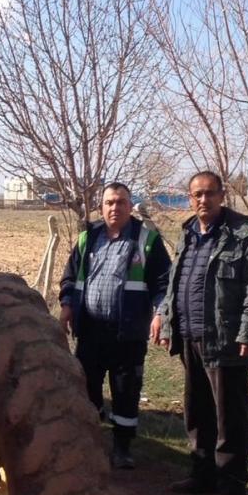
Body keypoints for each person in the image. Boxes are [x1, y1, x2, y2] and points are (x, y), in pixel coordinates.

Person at [157, 171, 248, 495]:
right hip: (190, 334)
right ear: (189, 198)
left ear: (222, 195)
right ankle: (201, 473)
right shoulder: (188, 233)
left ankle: (231, 485)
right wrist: (165, 320)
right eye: (197, 195)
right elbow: (175, 282)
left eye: (209, 193)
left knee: (229, 416)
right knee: (197, 409)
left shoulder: (242, 232)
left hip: (226, 339)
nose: (203, 200)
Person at [59, 182, 171, 470]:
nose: (114, 207)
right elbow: (71, 277)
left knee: (125, 390)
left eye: (121, 202)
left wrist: (160, 313)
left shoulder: (147, 240)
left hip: (128, 332)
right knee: (85, 387)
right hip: (91, 330)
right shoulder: (87, 238)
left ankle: (122, 447)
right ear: (101, 207)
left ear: (129, 205)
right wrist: (67, 305)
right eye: (109, 202)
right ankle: (90, 437)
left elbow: (163, 283)